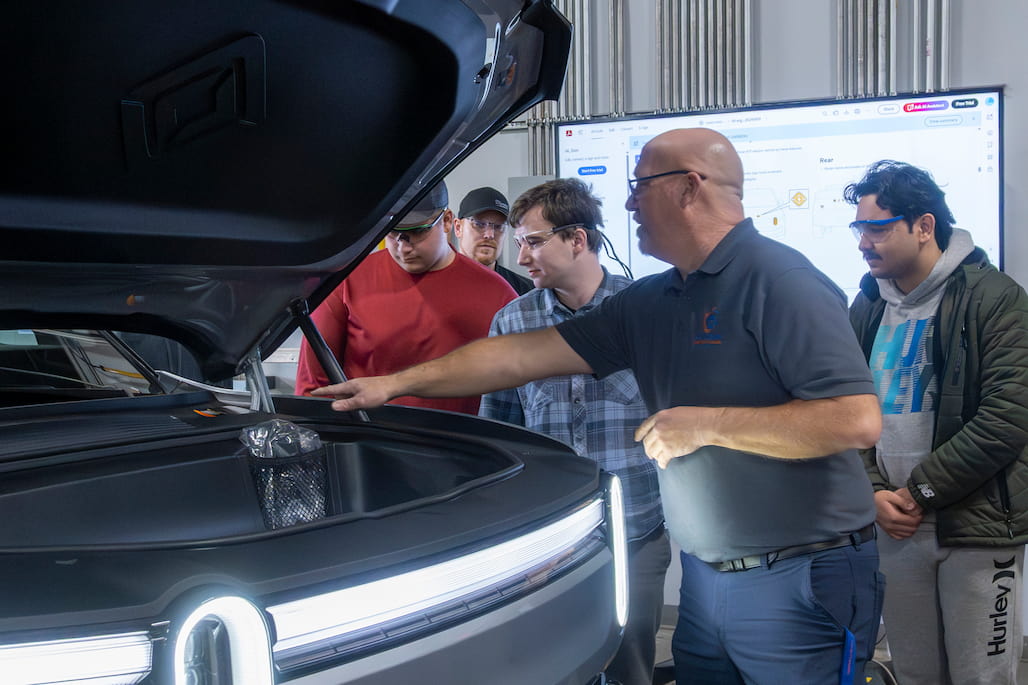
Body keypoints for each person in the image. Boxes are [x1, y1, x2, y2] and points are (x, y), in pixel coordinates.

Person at [312, 128, 884, 684]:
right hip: (709, 578)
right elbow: (517, 359)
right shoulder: (657, 299)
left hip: (800, 574)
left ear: (690, 187)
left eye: (641, 185)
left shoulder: (779, 280)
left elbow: (854, 419)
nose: (630, 202)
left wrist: (708, 426)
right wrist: (389, 384)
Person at [845, 160, 1028, 685]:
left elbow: (1007, 417)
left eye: (878, 228)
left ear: (923, 226)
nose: (864, 243)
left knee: (981, 677)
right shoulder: (867, 306)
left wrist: (919, 493)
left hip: (975, 527)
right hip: (895, 525)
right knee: (916, 673)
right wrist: (873, 492)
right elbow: (843, 409)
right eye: (860, 229)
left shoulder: (993, 297)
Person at [480, 178, 668, 685]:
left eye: (533, 241)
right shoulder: (512, 323)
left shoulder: (647, 312)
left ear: (578, 239)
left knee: (631, 665)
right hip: (549, 542)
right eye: (519, 242)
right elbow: (498, 435)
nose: (521, 258)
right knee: (555, 666)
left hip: (637, 529)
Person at [294, 181, 516, 414]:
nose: (403, 248)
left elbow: (521, 387)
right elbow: (313, 387)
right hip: (371, 440)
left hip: (462, 444)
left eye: (418, 231)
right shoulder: (347, 281)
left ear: (448, 221)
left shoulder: (498, 294)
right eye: (393, 233)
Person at [454, 186, 534, 295]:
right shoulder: (435, 286)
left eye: (498, 227)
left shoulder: (524, 293)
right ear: (458, 228)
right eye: (479, 224)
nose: (490, 235)